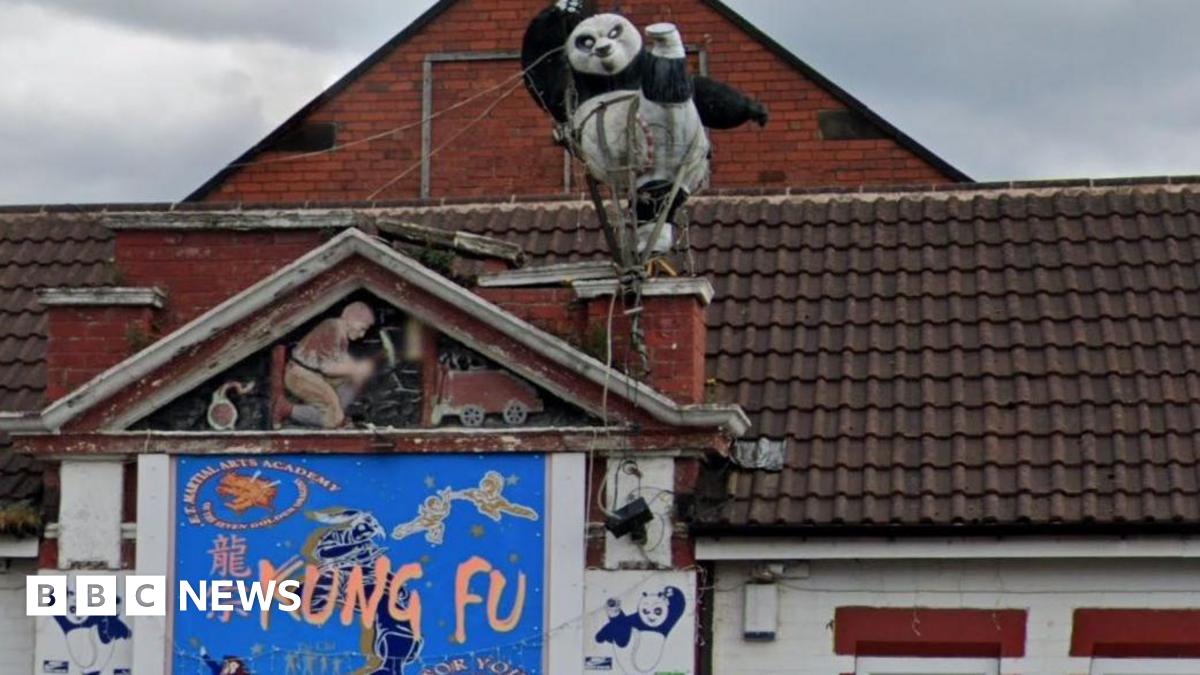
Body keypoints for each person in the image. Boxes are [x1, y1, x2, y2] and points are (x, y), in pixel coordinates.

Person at [279, 302, 377, 429]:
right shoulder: (332, 328)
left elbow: (340, 359)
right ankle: (334, 426)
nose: (362, 335)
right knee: (333, 408)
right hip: (300, 375)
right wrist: (354, 369)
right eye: (362, 328)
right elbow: (328, 367)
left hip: (312, 374)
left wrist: (356, 370)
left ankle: (337, 414)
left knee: (347, 386)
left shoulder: (341, 334)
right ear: (351, 319)